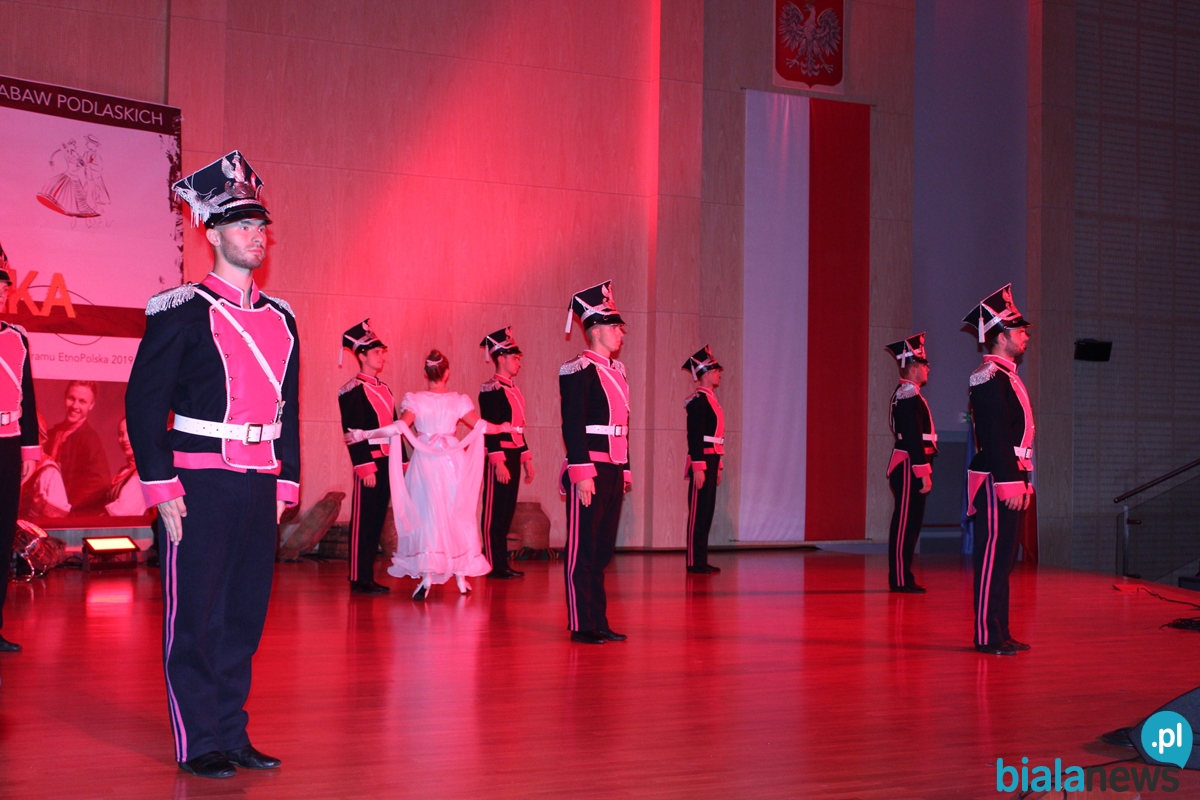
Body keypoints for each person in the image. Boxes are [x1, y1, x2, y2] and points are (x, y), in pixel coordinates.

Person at [126, 151, 298, 778]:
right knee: (195, 614)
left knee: (243, 616)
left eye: (260, 225)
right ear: (213, 233)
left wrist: (286, 480)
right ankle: (198, 740)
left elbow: (290, 407)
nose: (256, 234)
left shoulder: (283, 319)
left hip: (258, 480)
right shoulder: (178, 309)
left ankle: (231, 731)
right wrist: (159, 482)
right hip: (197, 481)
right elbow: (144, 403)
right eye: (242, 224)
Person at [346, 350, 497, 600]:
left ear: (425, 374)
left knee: (428, 516)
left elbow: (399, 427)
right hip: (452, 462)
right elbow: (482, 426)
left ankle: (427, 574)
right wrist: (507, 428)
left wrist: (366, 434)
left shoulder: (415, 400)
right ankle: (460, 576)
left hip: (425, 462)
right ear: (447, 373)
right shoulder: (458, 400)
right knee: (456, 514)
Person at [963, 285, 1034, 656]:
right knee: (992, 558)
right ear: (1001, 336)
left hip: (1011, 473)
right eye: (1019, 331)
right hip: (996, 476)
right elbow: (994, 436)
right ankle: (987, 635)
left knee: (1004, 560)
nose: (1025, 336)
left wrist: (1022, 479)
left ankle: (1001, 631)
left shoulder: (1006, 375)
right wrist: (1010, 482)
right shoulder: (988, 376)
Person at [560, 280, 632, 644]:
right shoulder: (578, 369)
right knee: (582, 550)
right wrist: (581, 471)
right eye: (615, 326)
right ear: (596, 330)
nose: (621, 333)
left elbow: (622, 425)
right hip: (589, 468)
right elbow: (572, 424)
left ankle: (598, 619)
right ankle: (581, 623)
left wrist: (626, 468)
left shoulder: (617, 371)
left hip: (613, 468)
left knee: (602, 550)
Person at [0, 242, 41, 653]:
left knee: (2, 535)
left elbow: (26, 395)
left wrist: (30, 450)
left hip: (8, 446)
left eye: (3, 290)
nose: (0, 295)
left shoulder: (17, 339)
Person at [338, 319, 395, 595]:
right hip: (370, 462)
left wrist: (401, 462)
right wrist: (364, 465)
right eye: (376, 352)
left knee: (377, 519)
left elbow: (395, 427)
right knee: (364, 519)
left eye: (382, 352)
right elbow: (352, 432)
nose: (381, 357)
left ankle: (367, 575)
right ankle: (358, 576)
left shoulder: (384, 388)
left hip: (387, 460)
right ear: (361, 355)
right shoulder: (352, 389)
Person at [478, 327, 534, 580]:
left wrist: (526, 458)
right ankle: (493, 563)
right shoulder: (491, 389)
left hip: (512, 454)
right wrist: (498, 461)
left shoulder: (513, 389)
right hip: (498, 456)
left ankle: (502, 562)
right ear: (500, 358)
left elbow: (517, 427)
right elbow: (491, 428)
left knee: (507, 510)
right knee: (494, 511)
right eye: (514, 357)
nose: (518, 362)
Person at [883, 333, 936, 594]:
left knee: (911, 524)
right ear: (913, 368)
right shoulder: (907, 395)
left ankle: (903, 576)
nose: (928, 368)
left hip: (911, 465)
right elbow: (913, 438)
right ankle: (900, 579)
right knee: (905, 524)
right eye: (924, 364)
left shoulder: (911, 394)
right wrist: (923, 471)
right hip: (908, 466)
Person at [681, 346, 725, 575]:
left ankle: (701, 559)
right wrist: (698, 466)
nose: (718, 374)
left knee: (707, 511)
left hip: (712, 459)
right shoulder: (698, 401)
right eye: (715, 371)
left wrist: (718, 465)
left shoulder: (712, 400)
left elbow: (715, 436)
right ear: (705, 373)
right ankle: (693, 561)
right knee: (698, 513)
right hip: (702, 460)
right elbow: (695, 437)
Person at [45, 380, 111, 513]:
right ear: (65, 396)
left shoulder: (91, 440)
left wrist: (68, 505)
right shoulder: (52, 434)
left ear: (91, 405)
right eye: (71, 398)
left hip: (70, 515)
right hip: (46, 509)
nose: (75, 406)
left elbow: (101, 482)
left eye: (82, 401)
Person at [105, 418, 147, 517]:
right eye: (120, 434)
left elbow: (124, 511)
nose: (124, 439)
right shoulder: (125, 471)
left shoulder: (144, 472)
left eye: (130, 431)